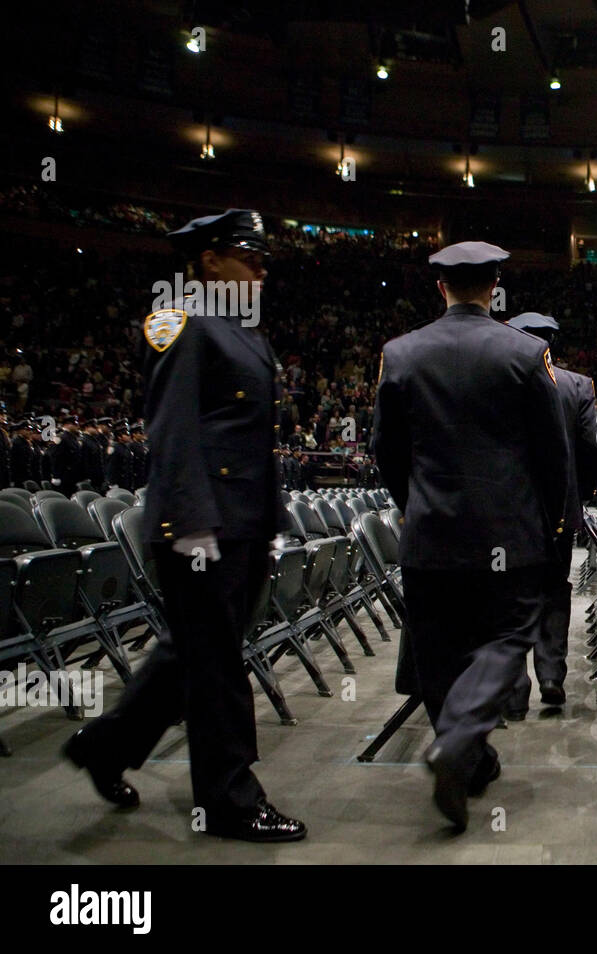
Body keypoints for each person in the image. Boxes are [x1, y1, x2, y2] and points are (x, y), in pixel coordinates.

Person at [62, 208, 306, 842]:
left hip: (243, 522)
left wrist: (269, 519)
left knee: (192, 654)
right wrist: (191, 525)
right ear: (208, 261)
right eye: (248, 257)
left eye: (262, 259)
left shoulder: (244, 330)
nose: (260, 268)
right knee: (218, 662)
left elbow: (253, 440)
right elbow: (173, 432)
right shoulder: (180, 321)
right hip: (203, 526)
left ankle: (106, 745)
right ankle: (229, 800)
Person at [372, 241, 569, 831]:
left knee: (438, 651)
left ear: (441, 288)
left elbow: (385, 450)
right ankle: (459, 746)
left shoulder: (400, 354)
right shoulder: (526, 353)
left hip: (431, 531)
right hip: (507, 531)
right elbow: (552, 451)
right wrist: (553, 519)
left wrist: (414, 506)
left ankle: (464, 754)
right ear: (495, 286)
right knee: (506, 641)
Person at [502, 312, 597, 719]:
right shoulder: (577, 385)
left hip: (509, 510)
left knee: (511, 595)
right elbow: (592, 447)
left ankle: (513, 692)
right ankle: (551, 677)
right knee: (554, 589)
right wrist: (581, 491)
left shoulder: (501, 381)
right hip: (560, 508)